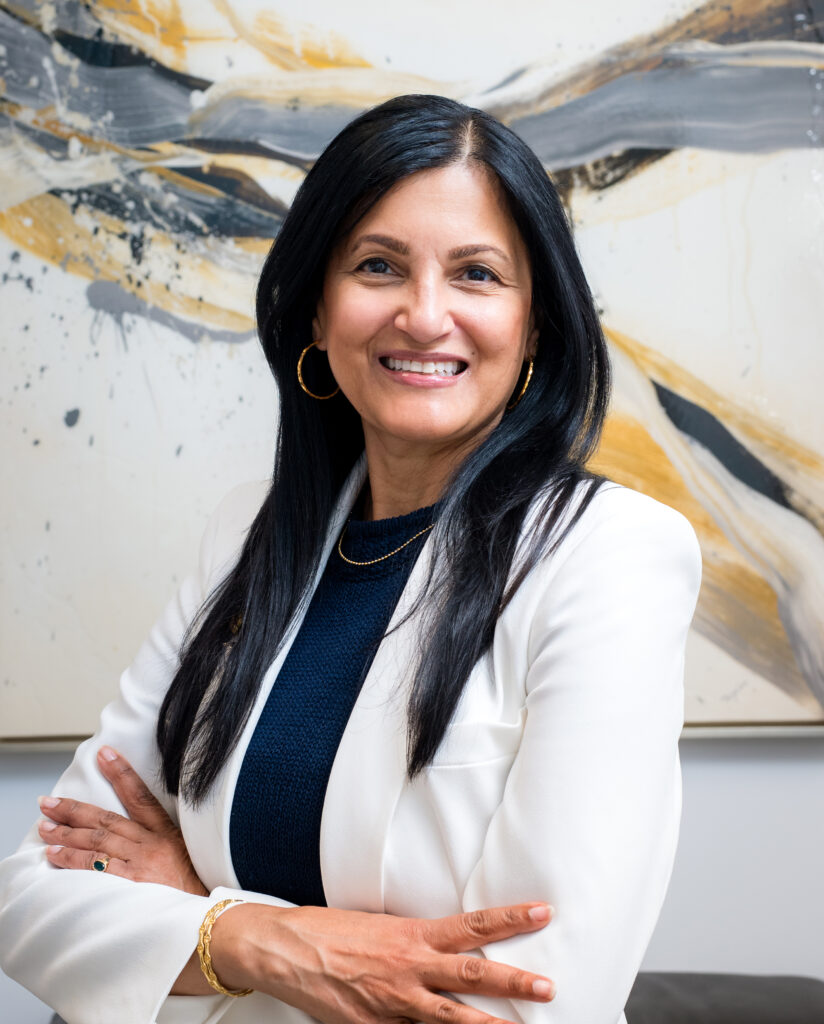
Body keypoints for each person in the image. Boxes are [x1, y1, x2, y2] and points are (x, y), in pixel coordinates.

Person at [0, 94, 702, 1024]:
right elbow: (33, 894)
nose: (423, 315)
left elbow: (526, 1004)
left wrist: (192, 909)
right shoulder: (246, 536)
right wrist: (251, 937)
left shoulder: (610, 557)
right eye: (378, 266)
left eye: (477, 275)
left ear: (536, 325)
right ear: (320, 316)